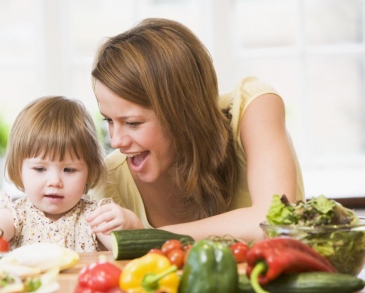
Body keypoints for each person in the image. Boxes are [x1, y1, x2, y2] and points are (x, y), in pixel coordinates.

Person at [86, 18, 304, 242]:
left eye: (133, 123)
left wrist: (149, 237)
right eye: (108, 120)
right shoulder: (111, 181)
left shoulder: (253, 108)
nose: (116, 141)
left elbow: (276, 223)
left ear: (182, 113)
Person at [0, 96, 143, 253]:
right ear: (19, 169)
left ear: (89, 172)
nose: (55, 181)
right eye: (40, 169)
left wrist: (131, 223)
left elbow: (128, 248)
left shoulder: (93, 217)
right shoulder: (16, 215)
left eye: (69, 170)